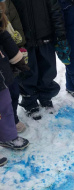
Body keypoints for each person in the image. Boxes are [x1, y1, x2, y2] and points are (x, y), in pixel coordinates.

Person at [12, 0, 69, 120]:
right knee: (27, 73)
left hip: (45, 36)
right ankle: (30, 102)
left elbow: (55, 10)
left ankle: (45, 97)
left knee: (48, 70)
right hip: (24, 40)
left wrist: (60, 34)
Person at [0, 2, 30, 162]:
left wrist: (18, 60)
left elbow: (5, 38)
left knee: (7, 101)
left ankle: (8, 135)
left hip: (2, 69)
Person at [5, 0, 27, 133]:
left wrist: (20, 43)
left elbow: (15, 21)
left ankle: (13, 118)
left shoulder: (6, 3)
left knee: (13, 89)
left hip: (8, 52)